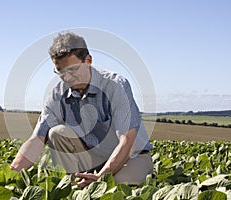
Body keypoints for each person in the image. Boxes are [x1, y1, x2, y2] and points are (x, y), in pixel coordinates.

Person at [10, 32, 153, 187]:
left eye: (72, 70)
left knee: (117, 186)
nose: (67, 77)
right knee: (57, 133)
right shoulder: (57, 94)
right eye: (61, 72)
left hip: (131, 158)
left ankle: (94, 182)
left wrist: (102, 178)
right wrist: (11, 175)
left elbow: (127, 141)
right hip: (92, 158)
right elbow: (37, 139)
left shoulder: (116, 85)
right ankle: (73, 184)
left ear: (88, 61)